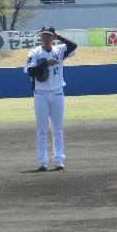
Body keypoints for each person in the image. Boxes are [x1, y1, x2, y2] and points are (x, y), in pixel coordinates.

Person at [24, 26, 77, 171]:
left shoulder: (59, 51)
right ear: (40, 37)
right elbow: (30, 71)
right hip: (40, 94)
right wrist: (45, 63)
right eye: (44, 35)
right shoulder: (34, 52)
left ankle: (59, 160)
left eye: (49, 35)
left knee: (57, 129)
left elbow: (73, 46)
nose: (46, 38)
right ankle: (42, 162)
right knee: (42, 129)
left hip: (57, 93)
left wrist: (59, 37)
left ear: (52, 36)